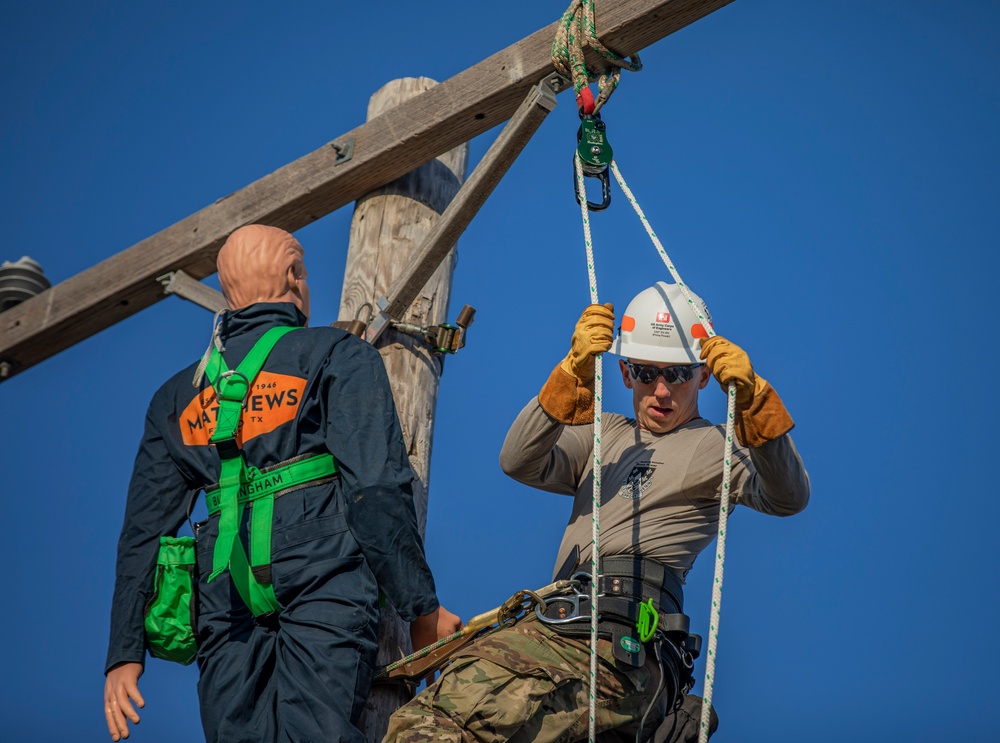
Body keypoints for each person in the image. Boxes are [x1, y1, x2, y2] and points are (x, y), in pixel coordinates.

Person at [384, 281, 809, 743]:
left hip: (615, 647)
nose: (661, 390)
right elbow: (519, 460)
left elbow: (787, 497)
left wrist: (755, 401)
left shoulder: (717, 447)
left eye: (678, 374)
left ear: (704, 376)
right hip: (565, 632)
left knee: (428, 726)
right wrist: (571, 372)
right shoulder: (601, 435)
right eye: (647, 373)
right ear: (625, 372)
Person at [103, 224, 460, 742]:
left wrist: (124, 653)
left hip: (225, 590)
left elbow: (143, 537)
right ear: (294, 278)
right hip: (322, 570)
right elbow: (375, 490)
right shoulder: (336, 354)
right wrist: (421, 609)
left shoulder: (177, 399)